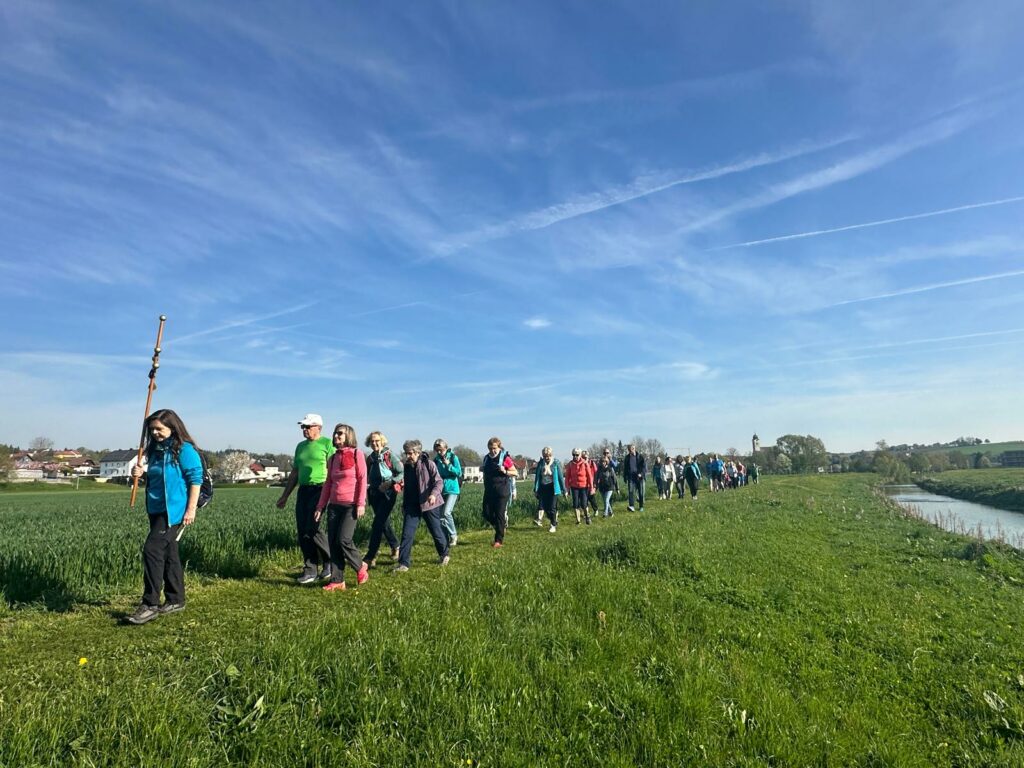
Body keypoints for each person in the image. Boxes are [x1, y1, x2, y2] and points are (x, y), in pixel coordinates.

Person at [127, 409, 203, 624]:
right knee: (169, 553)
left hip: (175, 511)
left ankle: (150, 603)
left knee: (152, 549)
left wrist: (191, 509)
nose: (155, 433)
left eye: (159, 429)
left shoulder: (184, 450)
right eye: (152, 430)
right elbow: (160, 477)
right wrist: (141, 474)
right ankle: (176, 599)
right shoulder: (156, 450)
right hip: (156, 508)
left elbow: (194, 479)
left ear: (172, 427)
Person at [276, 414, 334, 584]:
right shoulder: (300, 447)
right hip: (304, 490)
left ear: (319, 427)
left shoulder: (327, 444)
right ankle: (310, 569)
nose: (305, 430)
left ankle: (330, 559)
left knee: (313, 527)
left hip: (321, 489)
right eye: (303, 427)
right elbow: (295, 472)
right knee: (303, 530)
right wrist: (285, 495)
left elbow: (333, 469)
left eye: (308, 427)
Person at [314, 424, 369, 591]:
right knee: (333, 543)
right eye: (335, 433)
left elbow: (362, 479)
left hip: (350, 505)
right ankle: (337, 580)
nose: (336, 436)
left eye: (340, 434)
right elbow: (328, 484)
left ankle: (360, 567)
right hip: (334, 506)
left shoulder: (356, 454)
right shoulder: (332, 459)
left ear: (349, 436)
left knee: (343, 539)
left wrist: (360, 503)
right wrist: (320, 506)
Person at [394, 440, 449, 572]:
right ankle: (404, 564)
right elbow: (407, 488)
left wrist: (434, 495)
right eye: (406, 453)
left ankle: (444, 554)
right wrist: (404, 504)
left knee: (436, 531)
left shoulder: (428, 464)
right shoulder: (407, 467)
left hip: (429, 503)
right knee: (407, 534)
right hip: (412, 505)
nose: (408, 456)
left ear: (418, 453)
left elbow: (439, 482)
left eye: (410, 453)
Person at [363, 431, 402, 568]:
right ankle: (396, 546)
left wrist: (391, 482)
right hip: (374, 493)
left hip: (388, 493)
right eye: (372, 441)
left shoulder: (389, 455)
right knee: (383, 522)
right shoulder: (370, 458)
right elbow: (365, 475)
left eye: (377, 440)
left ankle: (371, 556)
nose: (374, 443)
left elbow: (401, 472)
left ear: (382, 441)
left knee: (377, 523)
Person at [481, 437, 516, 547]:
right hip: (489, 490)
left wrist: (505, 471)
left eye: (494, 448)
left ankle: (498, 540)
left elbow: (515, 472)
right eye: (490, 448)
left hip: (502, 490)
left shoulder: (504, 457)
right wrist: (482, 468)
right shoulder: (486, 458)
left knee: (500, 514)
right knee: (486, 513)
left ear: (499, 447)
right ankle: (500, 527)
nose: (492, 450)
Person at [433, 439, 462, 547]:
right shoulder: (436, 460)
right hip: (441, 489)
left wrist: (449, 465)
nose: (439, 452)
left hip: (452, 488)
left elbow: (458, 472)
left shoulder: (453, 457)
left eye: (440, 450)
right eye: (437, 450)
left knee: (446, 512)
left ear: (445, 448)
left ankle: (454, 535)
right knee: (440, 516)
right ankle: (445, 537)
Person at [533, 446, 565, 532]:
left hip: (553, 487)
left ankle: (553, 525)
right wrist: (535, 489)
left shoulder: (556, 463)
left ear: (551, 455)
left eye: (549, 456)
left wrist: (564, 489)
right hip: (543, 487)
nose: (547, 458)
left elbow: (560, 477)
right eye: (545, 456)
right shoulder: (540, 463)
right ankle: (553, 520)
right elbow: (537, 477)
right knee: (546, 508)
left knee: (552, 507)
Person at [565, 448, 595, 525]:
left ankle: (587, 516)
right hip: (574, 487)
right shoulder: (570, 464)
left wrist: (591, 488)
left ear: (580, 455)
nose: (575, 456)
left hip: (583, 486)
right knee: (575, 504)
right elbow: (567, 477)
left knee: (584, 504)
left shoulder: (585, 463)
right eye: (573, 455)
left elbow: (589, 476)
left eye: (577, 455)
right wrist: (567, 489)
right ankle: (578, 521)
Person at [621, 443, 647, 512]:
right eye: (629, 449)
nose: (630, 450)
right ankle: (632, 506)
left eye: (632, 449)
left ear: (634, 448)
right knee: (631, 492)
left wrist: (641, 474)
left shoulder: (640, 457)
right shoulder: (627, 458)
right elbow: (625, 468)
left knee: (641, 493)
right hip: (631, 478)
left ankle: (641, 506)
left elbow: (644, 468)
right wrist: (625, 477)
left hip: (639, 477)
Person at [581, 450, 600, 518]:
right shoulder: (581, 464)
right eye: (583, 457)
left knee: (591, 498)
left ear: (588, 457)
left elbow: (596, 473)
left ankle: (596, 510)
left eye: (585, 457)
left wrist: (595, 484)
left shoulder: (592, 463)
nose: (584, 458)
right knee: (584, 499)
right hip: (584, 484)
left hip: (591, 484)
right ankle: (586, 513)